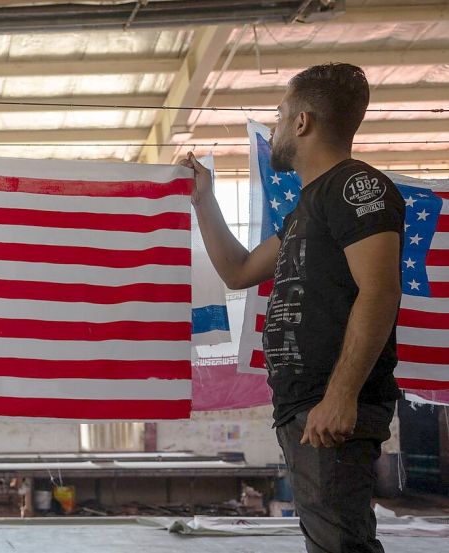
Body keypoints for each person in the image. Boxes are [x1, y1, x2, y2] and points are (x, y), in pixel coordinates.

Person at [182, 63, 404, 553]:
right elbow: (238, 270)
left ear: (302, 122)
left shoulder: (354, 188)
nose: (276, 125)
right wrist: (204, 202)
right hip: (304, 405)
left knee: (340, 545)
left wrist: (341, 396)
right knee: (330, 540)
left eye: (280, 114)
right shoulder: (308, 207)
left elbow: (381, 291)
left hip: (331, 404)